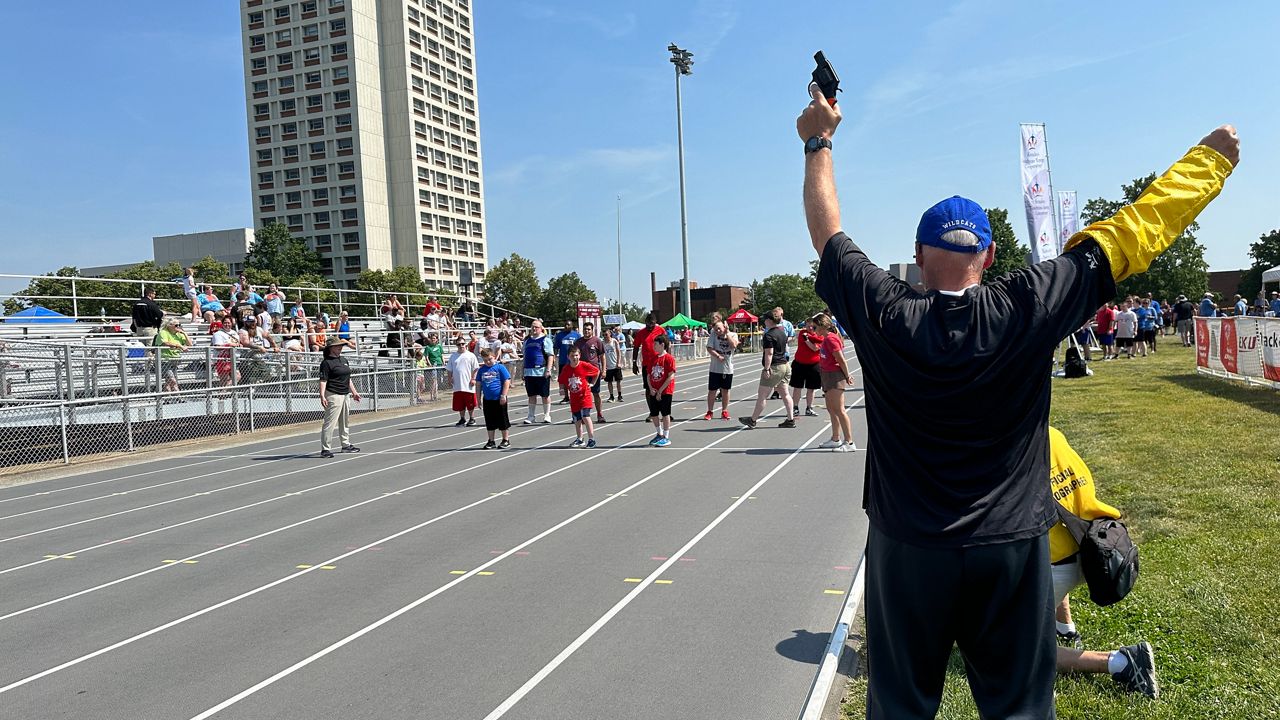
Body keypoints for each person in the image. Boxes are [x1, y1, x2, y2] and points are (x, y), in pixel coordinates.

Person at [801, 81, 1236, 717]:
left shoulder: (882, 308)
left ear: (919, 258)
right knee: (1019, 709)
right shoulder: (1027, 304)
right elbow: (1131, 234)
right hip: (1009, 543)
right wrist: (1210, 162)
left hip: (909, 544)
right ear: (990, 253)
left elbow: (827, 232)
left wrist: (819, 140)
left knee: (900, 704)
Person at [1047, 426, 1159, 698]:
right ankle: (1066, 629)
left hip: (1056, 562)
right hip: (1090, 546)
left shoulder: (998, 446)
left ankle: (1122, 662)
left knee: (1007, 648)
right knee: (1056, 542)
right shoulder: (1051, 433)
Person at [739, 309, 795, 429]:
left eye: (765, 319)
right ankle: (790, 419)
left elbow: (769, 353)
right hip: (785, 365)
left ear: (769, 321)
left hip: (775, 366)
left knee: (762, 395)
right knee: (785, 393)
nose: (764, 321)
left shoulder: (769, 335)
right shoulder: (782, 333)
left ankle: (753, 420)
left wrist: (766, 369)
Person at [813, 313, 854, 451]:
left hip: (835, 376)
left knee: (839, 410)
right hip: (827, 375)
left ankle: (849, 442)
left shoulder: (831, 339)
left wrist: (847, 376)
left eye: (815, 327)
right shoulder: (826, 339)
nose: (814, 330)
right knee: (831, 409)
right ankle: (835, 438)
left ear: (822, 326)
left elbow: (841, 359)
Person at [318, 336, 362, 457]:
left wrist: (354, 392)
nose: (340, 348)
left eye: (341, 346)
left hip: (344, 394)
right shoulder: (326, 363)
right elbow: (323, 380)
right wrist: (322, 396)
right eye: (337, 346)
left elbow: (348, 378)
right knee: (330, 422)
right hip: (333, 394)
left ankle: (345, 444)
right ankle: (325, 448)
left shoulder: (343, 360)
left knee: (345, 421)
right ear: (331, 348)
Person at [558, 346, 601, 448]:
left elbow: (597, 371)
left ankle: (591, 439)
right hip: (574, 397)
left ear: (580, 355)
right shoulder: (566, 368)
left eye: (576, 355)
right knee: (576, 419)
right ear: (568, 356)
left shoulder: (584, 365)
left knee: (585, 416)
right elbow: (561, 380)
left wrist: (592, 383)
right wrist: (561, 390)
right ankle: (580, 439)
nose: (575, 358)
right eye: (572, 356)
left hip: (584, 396)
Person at [474, 347, 512, 449]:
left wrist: (503, 395)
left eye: (490, 359)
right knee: (489, 420)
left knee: (502, 419)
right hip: (487, 399)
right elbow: (478, 385)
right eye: (485, 360)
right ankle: (491, 440)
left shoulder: (500, 367)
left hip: (499, 398)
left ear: (494, 357)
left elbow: (506, 381)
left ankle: (505, 439)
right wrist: (478, 399)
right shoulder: (482, 370)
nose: (488, 362)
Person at [631, 313, 665, 423]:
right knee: (648, 389)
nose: (650, 327)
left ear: (655, 323)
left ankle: (665, 411)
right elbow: (636, 347)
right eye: (648, 324)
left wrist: (668, 358)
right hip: (647, 364)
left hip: (660, 363)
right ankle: (652, 412)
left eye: (652, 324)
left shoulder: (660, 330)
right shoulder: (641, 333)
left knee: (663, 388)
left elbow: (667, 344)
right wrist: (634, 363)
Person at [522, 320, 556, 424]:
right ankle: (531, 416)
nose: (534, 329)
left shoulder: (545, 340)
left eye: (536, 327)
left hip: (541, 371)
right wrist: (523, 371)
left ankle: (547, 415)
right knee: (531, 395)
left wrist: (548, 370)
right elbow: (524, 356)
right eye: (532, 327)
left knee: (545, 395)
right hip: (529, 372)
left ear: (541, 328)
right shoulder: (527, 341)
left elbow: (550, 355)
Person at [645, 334, 676, 447]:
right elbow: (649, 375)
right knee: (654, 414)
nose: (654, 346)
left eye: (656, 344)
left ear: (662, 345)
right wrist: (651, 388)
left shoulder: (669, 358)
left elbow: (670, 376)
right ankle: (659, 433)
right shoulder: (653, 358)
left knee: (665, 413)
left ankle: (666, 436)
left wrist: (660, 391)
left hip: (665, 391)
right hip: (654, 390)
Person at [574, 322, 608, 423]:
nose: (586, 331)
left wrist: (604, 370)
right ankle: (584, 415)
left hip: (594, 371)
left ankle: (600, 414)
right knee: (582, 394)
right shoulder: (578, 342)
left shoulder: (597, 341)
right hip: (582, 372)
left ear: (592, 330)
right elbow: (574, 357)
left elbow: (602, 356)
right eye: (585, 329)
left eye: (588, 329)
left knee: (596, 393)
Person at [705, 320, 739, 420]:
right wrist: (718, 356)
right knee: (712, 391)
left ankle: (724, 411)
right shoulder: (713, 335)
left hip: (727, 368)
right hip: (715, 369)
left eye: (719, 328)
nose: (718, 331)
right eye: (716, 329)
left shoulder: (733, 334)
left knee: (725, 390)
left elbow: (733, 345)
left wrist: (727, 333)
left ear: (724, 327)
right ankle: (710, 411)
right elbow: (709, 348)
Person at [789, 317, 823, 417]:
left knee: (811, 388)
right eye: (808, 326)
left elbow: (814, 348)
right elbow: (804, 338)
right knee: (797, 387)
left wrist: (807, 339)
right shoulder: (802, 333)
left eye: (813, 326)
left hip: (814, 365)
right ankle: (795, 407)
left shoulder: (819, 336)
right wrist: (807, 338)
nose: (810, 328)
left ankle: (809, 408)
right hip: (799, 363)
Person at [447, 336, 479, 426]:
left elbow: (476, 368)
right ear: (456, 345)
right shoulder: (453, 356)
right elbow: (449, 369)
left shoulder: (471, 355)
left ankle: (472, 418)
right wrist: (449, 379)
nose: (461, 346)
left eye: (462, 344)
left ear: (465, 344)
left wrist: (473, 378)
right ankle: (462, 418)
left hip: (468, 384)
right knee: (460, 403)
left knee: (470, 402)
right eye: (459, 344)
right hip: (457, 384)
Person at [154, 316, 191, 392]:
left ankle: (170, 398)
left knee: (169, 381)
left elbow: (189, 344)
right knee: (172, 380)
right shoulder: (163, 332)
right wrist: (179, 346)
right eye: (176, 325)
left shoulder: (179, 334)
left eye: (179, 325)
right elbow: (165, 342)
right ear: (169, 325)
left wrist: (184, 333)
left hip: (175, 360)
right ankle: (176, 396)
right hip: (164, 360)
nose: (178, 327)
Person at [553, 320, 581, 404]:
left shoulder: (577, 335)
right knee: (564, 380)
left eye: (568, 325)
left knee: (575, 379)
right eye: (565, 325)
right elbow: (556, 348)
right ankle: (566, 397)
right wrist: (554, 357)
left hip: (574, 362)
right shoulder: (559, 335)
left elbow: (580, 348)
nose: (566, 326)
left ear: (572, 326)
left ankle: (576, 395)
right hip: (563, 361)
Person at [210, 320, 240, 386]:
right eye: (225, 323)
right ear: (222, 324)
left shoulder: (234, 332)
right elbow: (217, 347)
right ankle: (222, 393)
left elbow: (237, 343)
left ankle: (225, 391)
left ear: (231, 324)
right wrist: (229, 345)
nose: (227, 324)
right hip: (222, 359)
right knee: (224, 379)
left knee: (237, 376)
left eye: (228, 323)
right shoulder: (218, 333)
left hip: (233, 358)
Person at [602, 328, 623, 403]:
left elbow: (618, 352)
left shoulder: (614, 341)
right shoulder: (602, 343)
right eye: (603, 335)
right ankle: (611, 396)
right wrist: (603, 367)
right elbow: (602, 355)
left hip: (615, 364)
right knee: (609, 382)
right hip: (608, 366)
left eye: (606, 334)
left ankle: (620, 395)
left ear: (610, 334)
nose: (605, 336)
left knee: (618, 381)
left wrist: (619, 362)